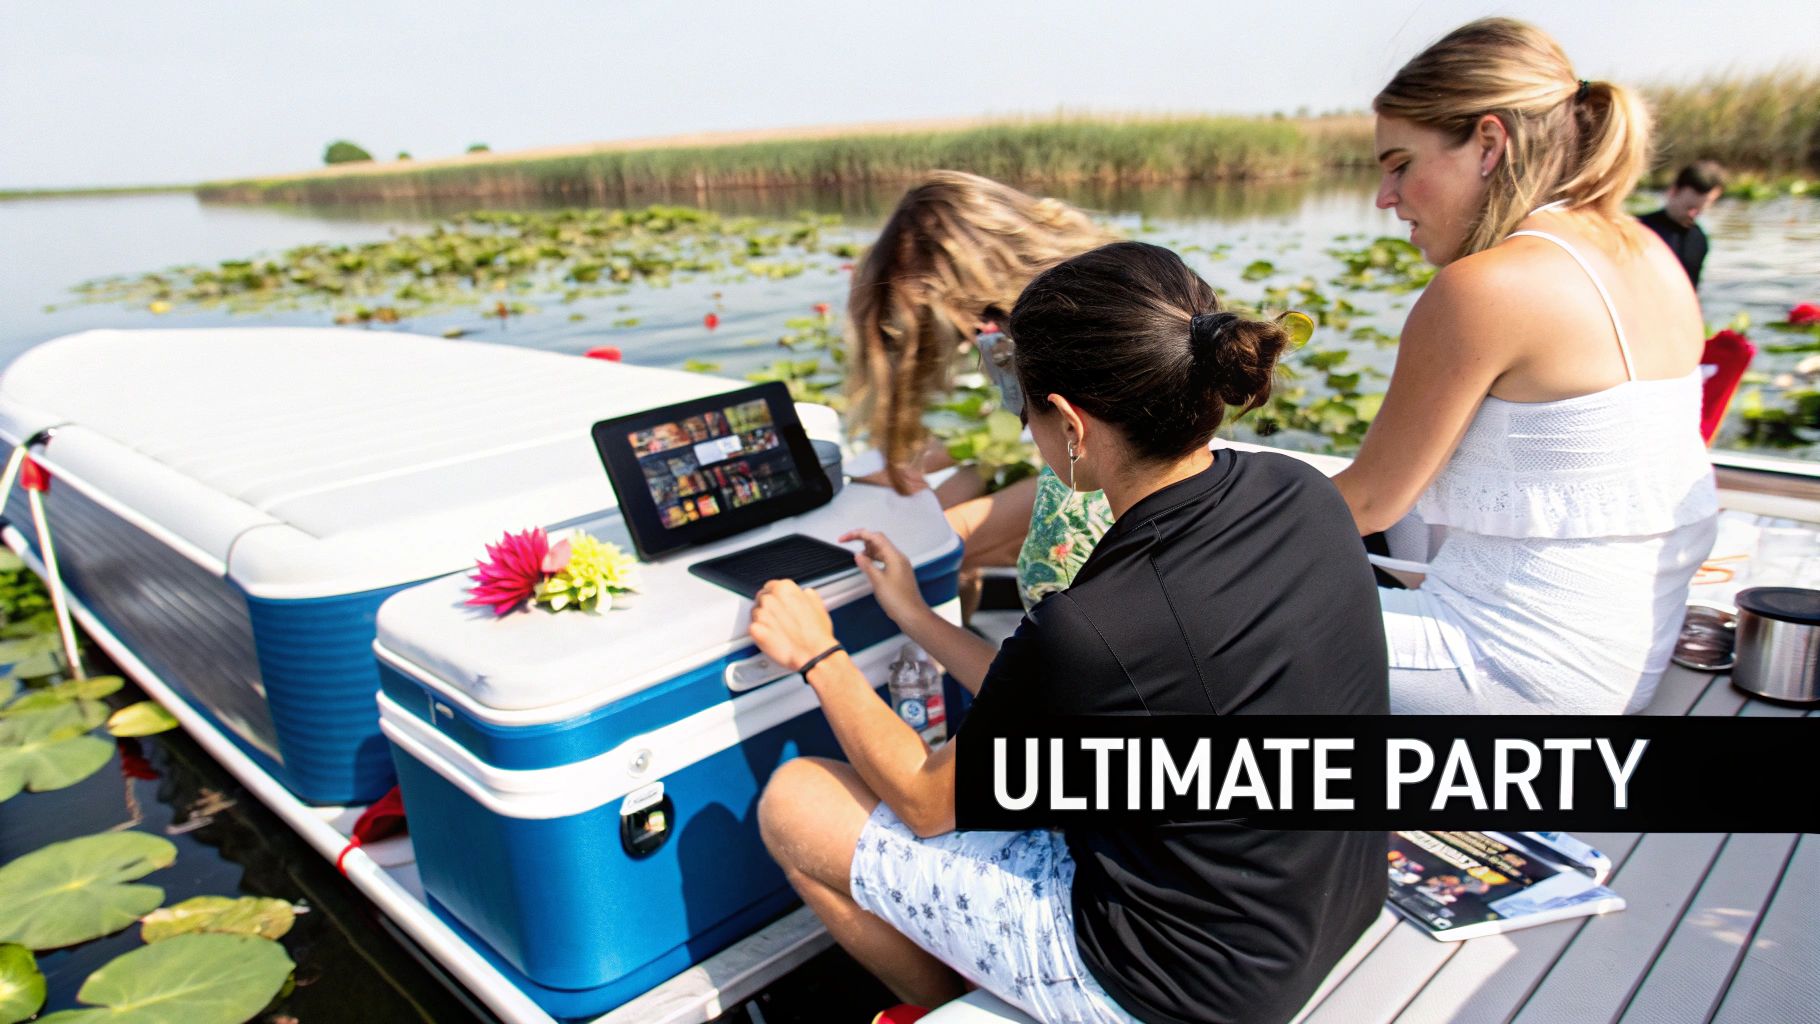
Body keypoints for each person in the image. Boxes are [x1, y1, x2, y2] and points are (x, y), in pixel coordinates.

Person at [749, 241, 1389, 1024]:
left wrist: (818, 656)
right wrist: (916, 615)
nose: (1024, 432)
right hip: (1331, 905)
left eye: (1025, 407)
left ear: (1069, 422)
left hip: (1179, 990)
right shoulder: (1296, 488)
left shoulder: (1099, 620)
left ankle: (956, 1004)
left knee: (797, 801)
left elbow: (923, 802)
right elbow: (1072, 695)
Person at [1330, 17, 1720, 715]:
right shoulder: (1649, 249)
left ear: (1488, 142)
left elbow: (1366, 502)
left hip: (1513, 674)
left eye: (1400, 165)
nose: (1386, 198)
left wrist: (1178, 515)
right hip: (1627, 659)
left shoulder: (1487, 286)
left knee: (1176, 631)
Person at [844, 171, 1116, 615]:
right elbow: (1017, 421)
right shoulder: (1005, 325)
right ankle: (962, 637)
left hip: (1100, 481)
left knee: (933, 540)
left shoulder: (1076, 324)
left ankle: (965, 655)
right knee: (934, 508)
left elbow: (1098, 464)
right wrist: (916, 461)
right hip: (1060, 458)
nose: (969, 340)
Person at [1637, 160, 1726, 287]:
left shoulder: (1699, 239)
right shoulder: (1639, 229)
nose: (1692, 215)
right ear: (1673, 191)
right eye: (1689, 207)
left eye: (1699, 210)